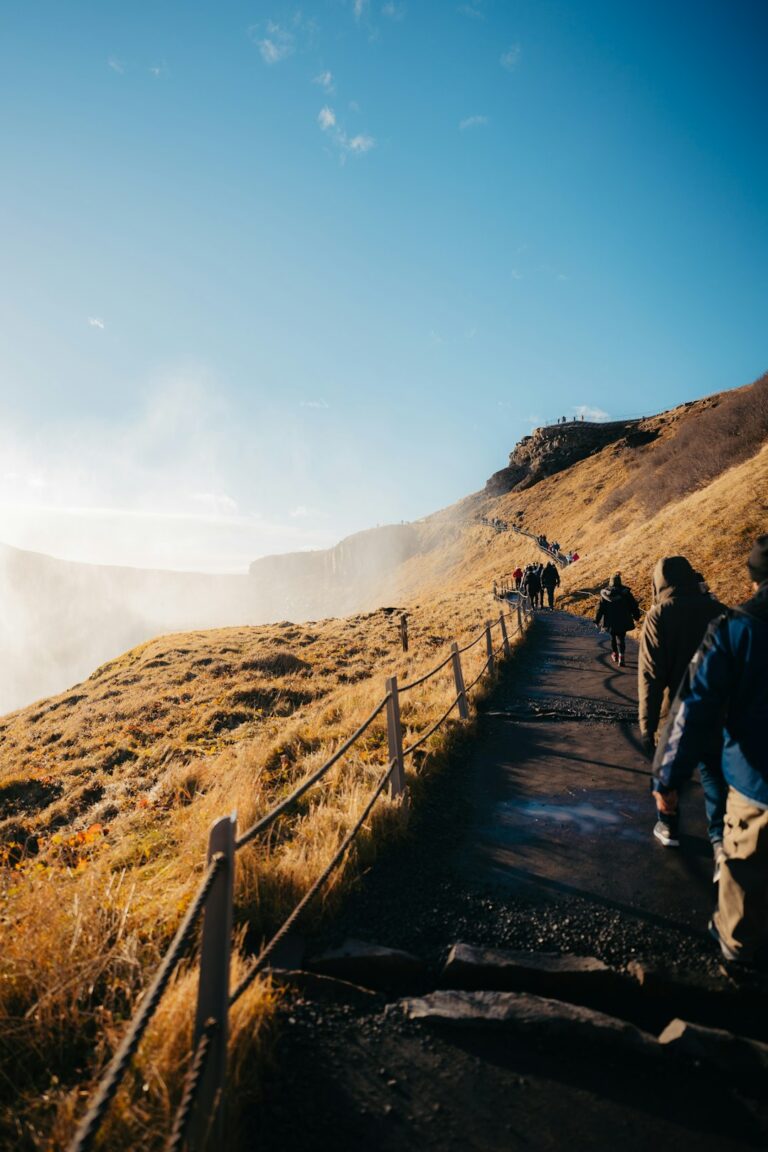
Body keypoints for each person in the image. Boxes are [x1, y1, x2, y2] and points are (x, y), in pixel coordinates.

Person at [653, 536, 768, 968]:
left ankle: (735, 955)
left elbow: (693, 706)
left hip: (757, 782)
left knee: (745, 879)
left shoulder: (737, 627)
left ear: (755, 578)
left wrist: (666, 778)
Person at [638, 556, 727, 861]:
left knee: (668, 775)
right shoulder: (720, 611)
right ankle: (720, 841)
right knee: (715, 774)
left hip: (675, 714)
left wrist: (646, 726)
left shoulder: (659, 616)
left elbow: (651, 676)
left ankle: (669, 827)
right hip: (717, 712)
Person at [594, 573, 640, 667]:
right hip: (623, 619)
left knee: (613, 637)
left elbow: (600, 608)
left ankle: (614, 654)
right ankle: (621, 656)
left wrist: (597, 620)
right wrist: (636, 616)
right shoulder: (625, 593)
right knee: (621, 638)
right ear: (620, 581)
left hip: (610, 620)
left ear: (610, 581)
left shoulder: (605, 593)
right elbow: (633, 605)